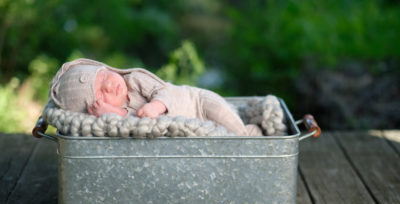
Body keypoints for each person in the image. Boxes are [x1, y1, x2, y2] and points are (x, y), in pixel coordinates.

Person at [50, 58, 262, 136]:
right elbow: (135, 127)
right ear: (94, 110)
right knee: (218, 138)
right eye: (100, 93)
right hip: (192, 130)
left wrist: (157, 106)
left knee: (233, 129)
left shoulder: (134, 79)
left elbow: (165, 91)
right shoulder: (115, 119)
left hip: (198, 103)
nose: (109, 84)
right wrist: (113, 113)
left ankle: (251, 135)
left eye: (104, 74)